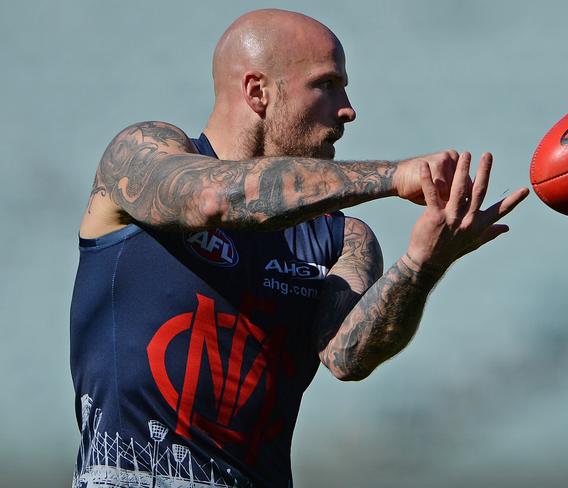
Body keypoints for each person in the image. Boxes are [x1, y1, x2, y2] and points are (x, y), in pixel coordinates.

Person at [70, 8, 528, 488]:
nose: (348, 108)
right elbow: (210, 199)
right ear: (257, 91)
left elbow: (348, 357)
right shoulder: (140, 155)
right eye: (327, 85)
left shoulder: (342, 236)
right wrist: (394, 176)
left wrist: (424, 263)